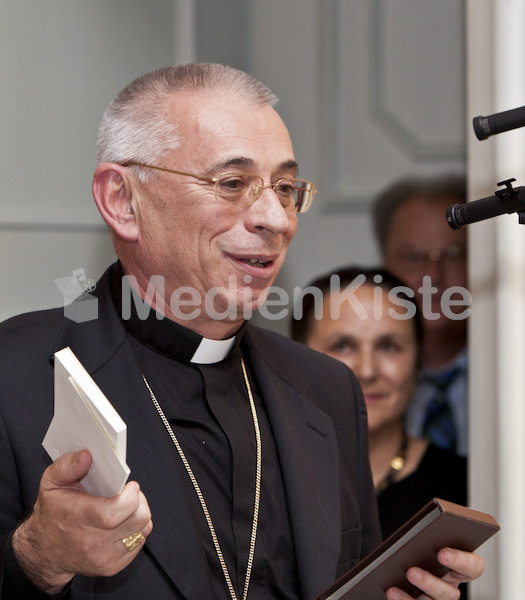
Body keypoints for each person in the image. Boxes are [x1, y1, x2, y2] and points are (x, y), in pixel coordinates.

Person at [0, 64, 483, 600]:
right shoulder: (15, 376)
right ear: (122, 200)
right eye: (232, 183)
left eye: (284, 187)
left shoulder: (327, 390)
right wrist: (36, 559)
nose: (276, 218)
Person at [291, 266, 467, 541]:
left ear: (418, 360)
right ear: (297, 360)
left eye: (388, 346)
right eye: (342, 346)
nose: (367, 370)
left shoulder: (463, 489)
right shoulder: (259, 482)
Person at [372, 175, 469, 457]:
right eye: (413, 257)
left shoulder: (511, 372)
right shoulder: (361, 374)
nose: (433, 276)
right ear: (385, 268)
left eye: (453, 254)